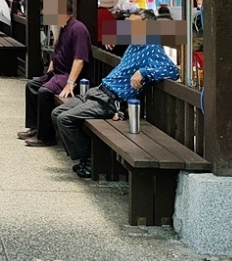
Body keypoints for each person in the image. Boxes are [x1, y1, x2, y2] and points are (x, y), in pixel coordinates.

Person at [52, 16, 180, 178]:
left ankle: (89, 161)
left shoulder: (152, 47)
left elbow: (173, 71)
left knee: (65, 119)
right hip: (98, 91)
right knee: (56, 114)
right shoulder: (134, 44)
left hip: (111, 101)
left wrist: (144, 72)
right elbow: (110, 30)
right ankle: (85, 156)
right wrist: (110, 37)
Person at [18, 0, 91, 147]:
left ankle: (46, 136)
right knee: (32, 85)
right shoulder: (63, 27)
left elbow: (79, 59)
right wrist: (51, 65)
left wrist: (71, 83)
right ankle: (35, 127)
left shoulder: (78, 29)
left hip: (69, 75)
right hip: (58, 72)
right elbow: (58, 51)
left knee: (44, 92)